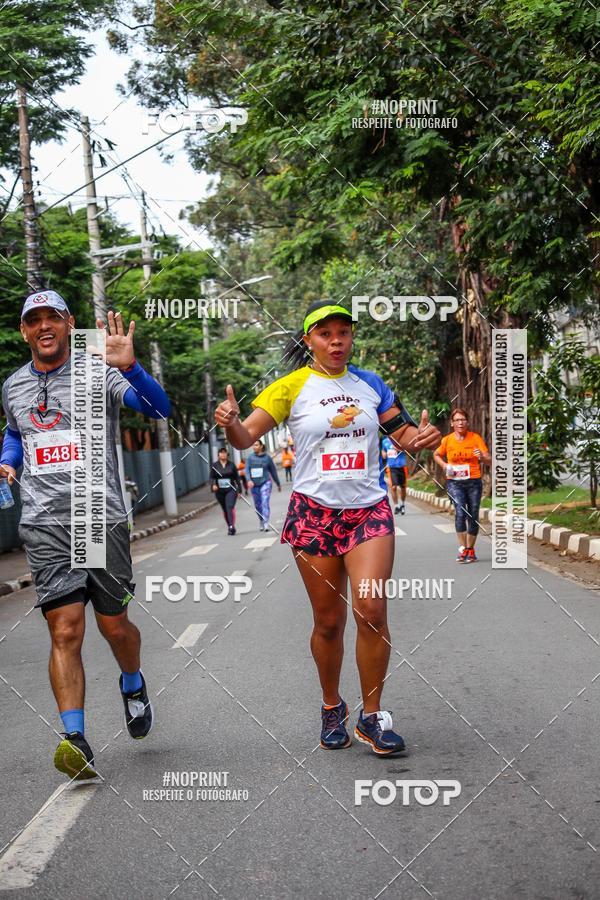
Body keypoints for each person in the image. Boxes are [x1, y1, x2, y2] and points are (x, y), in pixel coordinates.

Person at [215, 300, 441, 755]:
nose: (336, 340)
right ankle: (331, 705)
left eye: (344, 332)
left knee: (372, 612)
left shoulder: (371, 385)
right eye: (325, 333)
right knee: (329, 622)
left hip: (368, 512)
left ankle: (373, 717)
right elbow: (245, 438)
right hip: (314, 514)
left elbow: (405, 436)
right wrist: (231, 424)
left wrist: (424, 439)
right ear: (308, 341)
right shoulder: (291, 387)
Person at [0, 291, 171, 780]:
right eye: (35, 320)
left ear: (69, 324)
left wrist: (132, 367)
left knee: (113, 625)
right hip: (43, 521)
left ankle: (133, 682)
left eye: (54, 317)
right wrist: (9, 461)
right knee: (65, 628)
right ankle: (75, 738)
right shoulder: (13, 385)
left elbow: (157, 411)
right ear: (25, 332)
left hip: (98, 515)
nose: (44, 326)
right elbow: (16, 431)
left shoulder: (100, 370)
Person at [433, 408, 491, 563]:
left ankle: (470, 550)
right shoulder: (447, 440)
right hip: (454, 482)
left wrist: (482, 457)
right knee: (460, 511)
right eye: (457, 420)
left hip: (474, 482)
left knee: (473, 515)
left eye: (463, 419)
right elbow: (436, 454)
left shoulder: (475, 438)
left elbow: (488, 459)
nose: (460, 422)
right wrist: (444, 465)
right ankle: (463, 548)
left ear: (467, 422)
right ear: (452, 423)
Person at [245, 440, 281, 531]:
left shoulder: (267, 458)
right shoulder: (250, 458)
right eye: (253, 445)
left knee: (265, 502)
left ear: (261, 446)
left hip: (266, 482)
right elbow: (247, 471)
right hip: (254, 485)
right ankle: (261, 520)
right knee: (258, 505)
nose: (254, 447)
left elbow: (273, 471)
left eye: (256, 445)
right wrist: (249, 480)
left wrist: (278, 483)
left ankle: (266, 523)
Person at [210, 446, 242, 534]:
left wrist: (239, 490)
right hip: (220, 491)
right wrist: (213, 485)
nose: (223, 454)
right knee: (225, 509)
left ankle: (231, 526)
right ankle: (230, 526)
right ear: (218, 455)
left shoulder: (232, 465)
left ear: (227, 454)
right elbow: (211, 477)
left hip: (231, 490)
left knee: (229, 506)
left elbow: (237, 478)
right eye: (221, 452)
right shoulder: (215, 465)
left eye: (224, 452)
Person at [381, 431, 407, 514]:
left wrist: (399, 448)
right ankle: (396, 506)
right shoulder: (385, 441)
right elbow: (383, 451)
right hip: (391, 467)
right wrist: (383, 453)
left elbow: (407, 449)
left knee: (403, 487)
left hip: (402, 466)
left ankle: (402, 504)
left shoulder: (401, 439)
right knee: (393, 487)